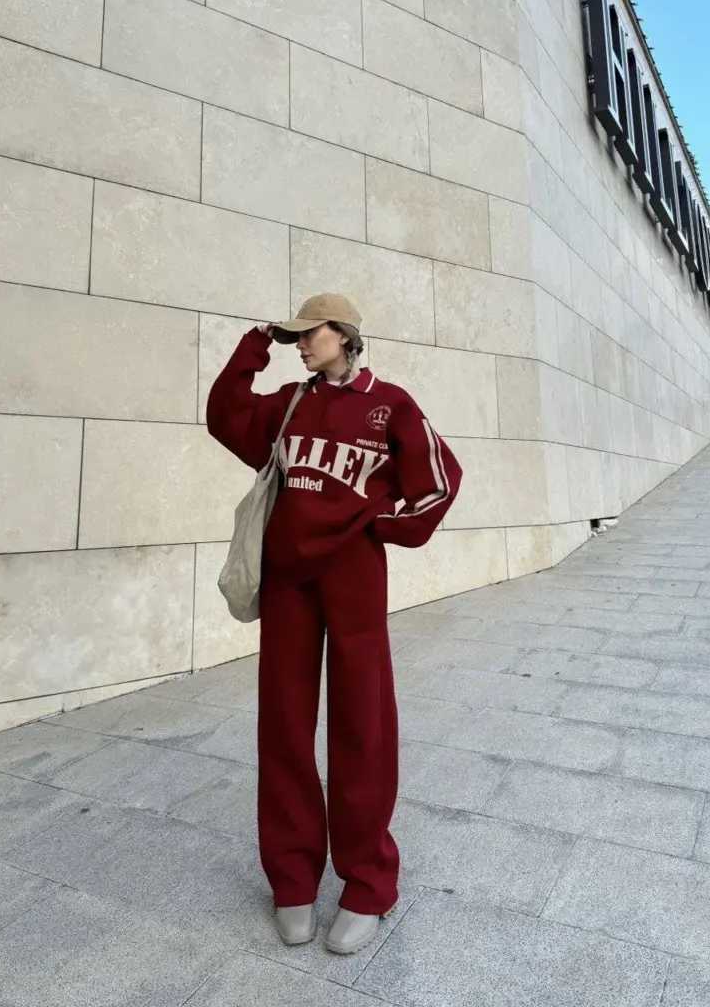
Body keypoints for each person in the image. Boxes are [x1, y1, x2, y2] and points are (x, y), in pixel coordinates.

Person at [207, 293, 462, 954]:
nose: (300, 344)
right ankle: (292, 879)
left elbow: (440, 480)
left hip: (353, 575)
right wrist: (256, 343)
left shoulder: (390, 404)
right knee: (284, 725)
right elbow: (225, 415)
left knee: (362, 724)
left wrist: (381, 527)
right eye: (293, 335)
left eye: (309, 333)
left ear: (344, 334)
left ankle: (368, 883)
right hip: (288, 579)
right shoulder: (289, 403)